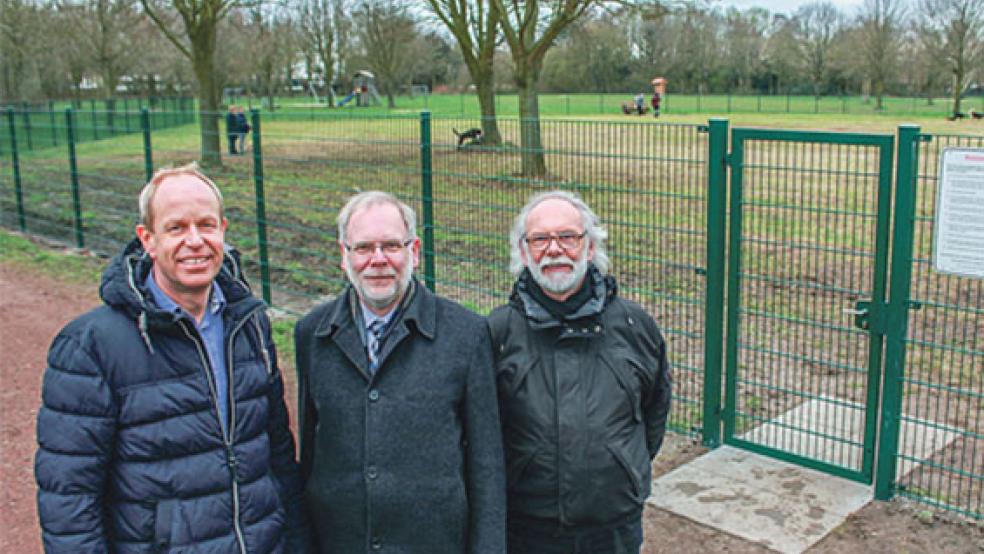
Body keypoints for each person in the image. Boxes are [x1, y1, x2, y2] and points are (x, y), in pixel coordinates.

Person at [35, 164, 312, 553]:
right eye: (176, 228)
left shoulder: (250, 325)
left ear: (223, 230)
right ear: (147, 239)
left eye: (206, 225)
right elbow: (69, 497)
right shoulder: (91, 346)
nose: (195, 241)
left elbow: (277, 455)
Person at [294, 191, 505, 553]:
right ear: (344, 256)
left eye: (391, 245)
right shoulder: (312, 334)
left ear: (415, 251)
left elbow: (486, 462)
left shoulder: (465, 334)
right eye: (363, 248)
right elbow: (311, 453)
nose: (378, 260)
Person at [488, 190, 672, 554]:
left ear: (589, 247)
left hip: (615, 525)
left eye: (568, 237)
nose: (554, 249)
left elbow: (654, 410)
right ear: (524, 253)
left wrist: (622, 467)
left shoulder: (635, 326)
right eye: (540, 239)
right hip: (527, 529)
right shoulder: (498, 334)